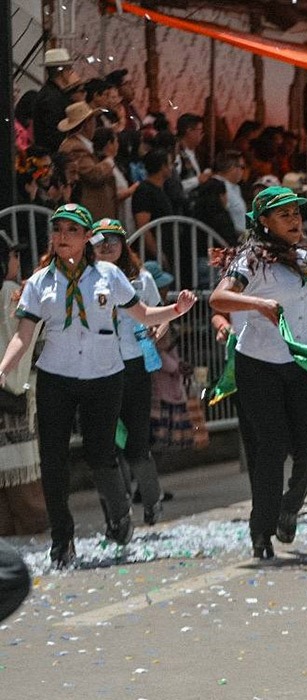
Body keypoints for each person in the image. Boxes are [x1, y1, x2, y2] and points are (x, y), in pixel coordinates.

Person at [0, 204, 196, 568]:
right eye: (57, 229)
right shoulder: (41, 281)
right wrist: (3, 368)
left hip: (104, 375)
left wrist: (175, 310)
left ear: (87, 237)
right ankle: (62, 540)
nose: (62, 236)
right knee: (53, 460)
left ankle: (119, 514)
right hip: (56, 377)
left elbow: (143, 314)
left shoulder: (108, 274)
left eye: (71, 230)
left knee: (100, 453)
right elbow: (23, 336)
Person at [210, 187, 307, 559]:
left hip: (303, 361)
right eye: (284, 215)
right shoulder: (251, 259)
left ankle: (288, 508)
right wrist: (257, 304)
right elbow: (218, 298)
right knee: (271, 450)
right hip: (260, 364)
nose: (294, 220)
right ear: (263, 222)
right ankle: (261, 532)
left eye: (296, 213)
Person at [90, 218, 166, 525]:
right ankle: (117, 513)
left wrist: (157, 330)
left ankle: (152, 501)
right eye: (100, 241)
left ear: (124, 245)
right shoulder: (84, 279)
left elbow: (160, 313)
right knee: (105, 444)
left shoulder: (142, 278)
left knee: (136, 442)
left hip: (134, 364)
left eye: (113, 240)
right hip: (97, 367)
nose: (107, 246)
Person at [0, 238, 49, 536]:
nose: (17, 261)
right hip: (13, 392)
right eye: (14, 255)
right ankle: (33, 534)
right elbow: (34, 331)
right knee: (24, 483)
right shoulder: (14, 293)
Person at [131, 149, 176, 260]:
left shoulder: (163, 189)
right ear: (163, 167)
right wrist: (158, 254)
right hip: (151, 256)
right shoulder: (144, 191)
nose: (172, 168)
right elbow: (143, 227)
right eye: (170, 164)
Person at [34, 48, 79, 150]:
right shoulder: (51, 98)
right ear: (61, 70)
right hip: (53, 153)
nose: (71, 72)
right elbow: (53, 134)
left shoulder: (52, 93)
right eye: (69, 68)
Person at [175, 114, 209, 197]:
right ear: (189, 131)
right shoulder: (176, 154)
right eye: (200, 130)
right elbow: (174, 187)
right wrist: (198, 180)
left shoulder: (197, 152)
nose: (202, 134)